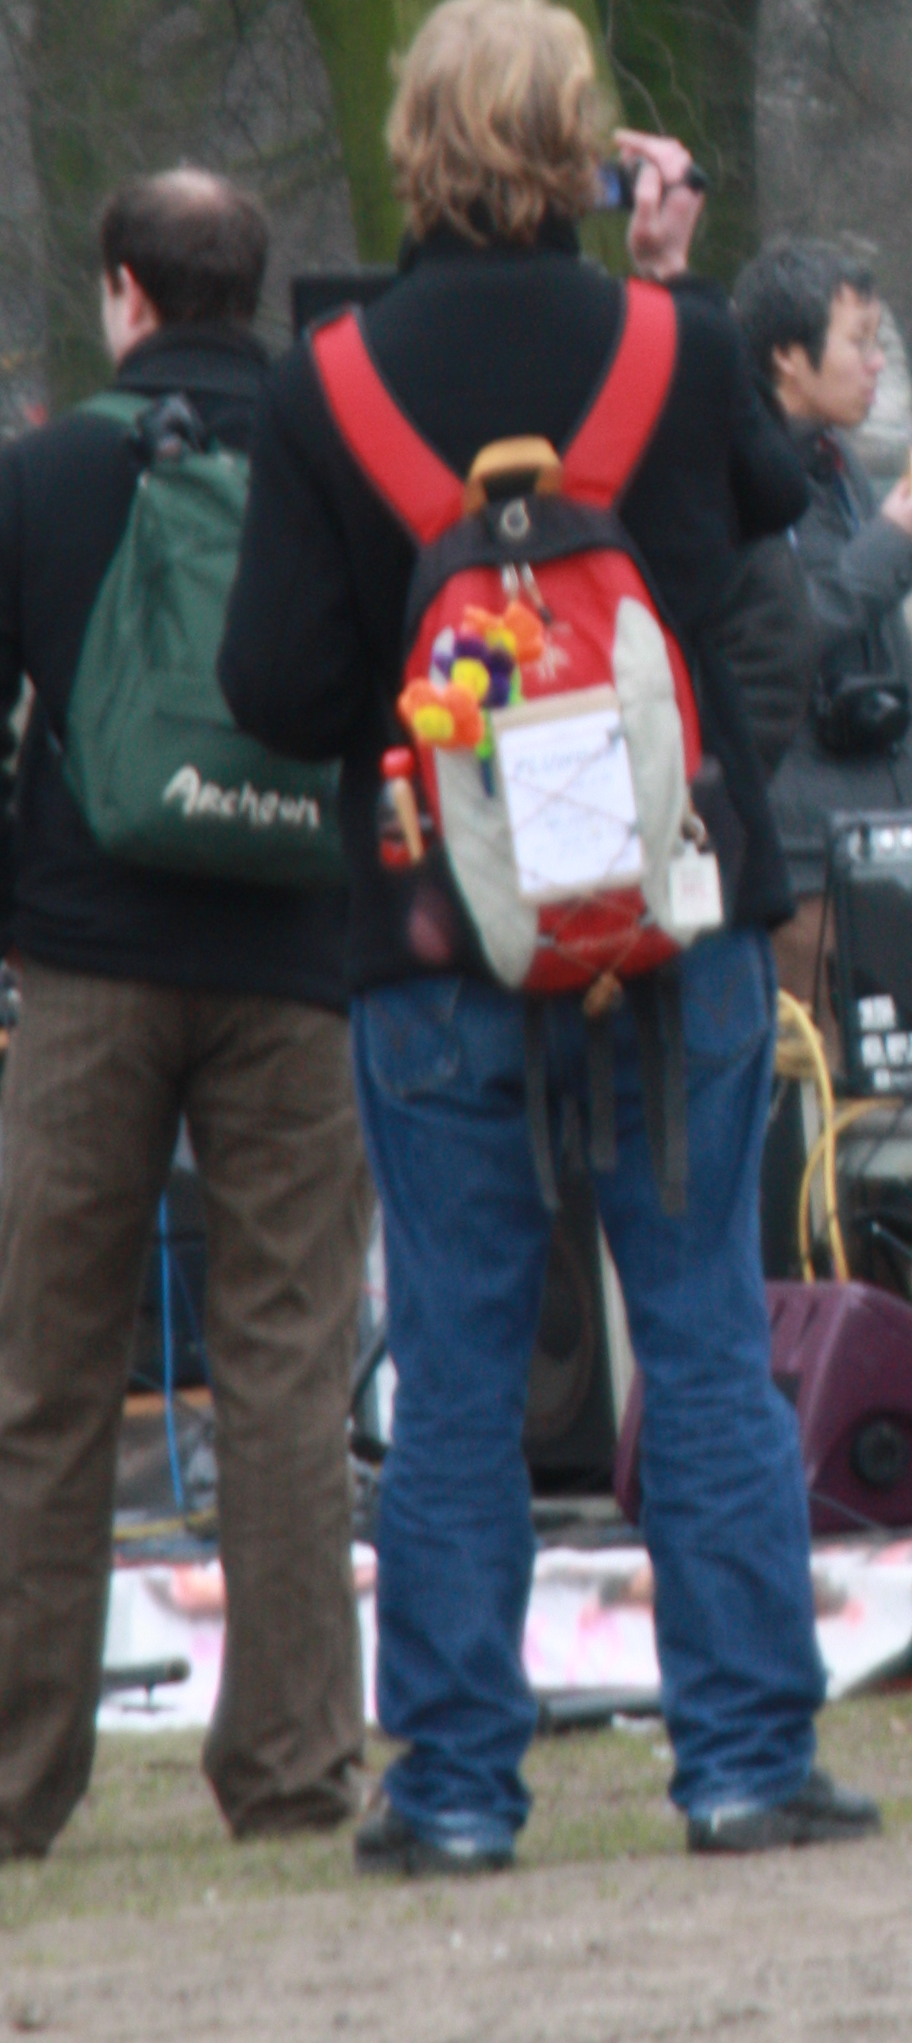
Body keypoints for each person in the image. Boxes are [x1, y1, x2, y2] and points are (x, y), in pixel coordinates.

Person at [218, 0, 877, 1871]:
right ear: (584, 150)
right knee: (706, 1338)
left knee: (455, 1363)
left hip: (440, 926)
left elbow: (275, 685)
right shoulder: (672, 345)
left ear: (414, 145)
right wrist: (670, 283)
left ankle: (452, 1791)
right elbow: (772, 504)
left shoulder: (328, 382)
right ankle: (744, 1760)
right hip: (677, 913)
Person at [0, 171, 375, 1864]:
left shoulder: (47, 472)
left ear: (127, 293)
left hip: (90, 961)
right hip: (296, 957)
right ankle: (292, 1768)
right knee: (287, 1366)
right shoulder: (332, 450)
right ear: (251, 286)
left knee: (48, 1372)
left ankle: (20, 1778)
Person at [726, 243, 912, 1023]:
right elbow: (774, 632)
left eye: (878, 340)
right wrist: (893, 545)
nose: (877, 362)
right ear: (788, 358)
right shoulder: (734, 476)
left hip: (894, 851)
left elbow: (892, 651)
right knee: (829, 1080)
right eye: (859, 341)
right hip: (803, 869)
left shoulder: (841, 464)